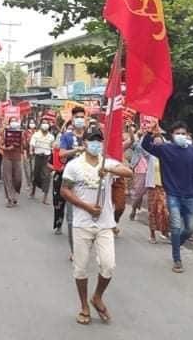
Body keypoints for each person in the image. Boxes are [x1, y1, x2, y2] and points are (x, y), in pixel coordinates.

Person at [60, 130, 133, 325]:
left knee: (108, 265)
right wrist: (87, 207)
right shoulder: (74, 165)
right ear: (84, 143)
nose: (95, 144)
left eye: (99, 141)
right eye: (92, 141)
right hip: (82, 223)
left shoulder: (106, 163)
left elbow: (129, 172)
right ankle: (84, 305)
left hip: (105, 224)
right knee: (81, 268)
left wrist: (110, 171)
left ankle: (97, 296)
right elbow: (65, 190)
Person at [141, 120, 193, 273]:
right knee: (175, 226)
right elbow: (146, 146)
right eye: (178, 133)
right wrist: (150, 132)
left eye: (183, 133)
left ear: (187, 135)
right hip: (173, 194)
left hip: (189, 195)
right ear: (172, 135)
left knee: (189, 229)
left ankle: (176, 243)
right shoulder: (165, 149)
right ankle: (177, 259)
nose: (181, 136)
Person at [54, 106, 87, 252]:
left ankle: (84, 245)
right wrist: (76, 150)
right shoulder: (66, 136)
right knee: (71, 216)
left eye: (82, 116)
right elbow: (61, 154)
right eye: (77, 117)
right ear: (72, 119)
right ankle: (74, 250)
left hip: (88, 179)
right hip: (72, 179)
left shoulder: (90, 135)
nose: (80, 119)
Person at [0, 116, 24, 207]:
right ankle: (10, 198)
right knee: (7, 178)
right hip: (7, 157)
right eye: (12, 121)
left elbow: (24, 146)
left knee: (18, 178)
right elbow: (0, 145)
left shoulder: (21, 133)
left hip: (17, 158)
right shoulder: (5, 133)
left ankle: (15, 194)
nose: (13, 122)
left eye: (15, 121)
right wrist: (7, 148)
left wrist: (21, 142)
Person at [29, 119, 55, 203]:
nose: (45, 125)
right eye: (43, 123)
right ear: (40, 125)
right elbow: (32, 144)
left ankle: (45, 198)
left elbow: (53, 147)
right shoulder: (36, 135)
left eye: (47, 123)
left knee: (47, 177)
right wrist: (31, 151)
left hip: (47, 158)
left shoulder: (51, 136)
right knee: (35, 175)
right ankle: (33, 192)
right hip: (37, 157)